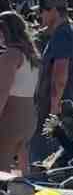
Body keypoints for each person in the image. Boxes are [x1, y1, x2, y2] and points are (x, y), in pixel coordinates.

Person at [33, 0, 73, 162]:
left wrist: (53, 111)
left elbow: (60, 75)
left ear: (54, 11)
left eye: (42, 10)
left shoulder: (62, 33)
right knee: (65, 160)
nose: (39, 15)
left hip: (58, 110)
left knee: (42, 162)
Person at [0, 11, 39, 173]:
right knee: (23, 164)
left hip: (12, 113)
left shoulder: (11, 54)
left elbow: (2, 90)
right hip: (29, 114)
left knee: (2, 166)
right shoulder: (31, 54)